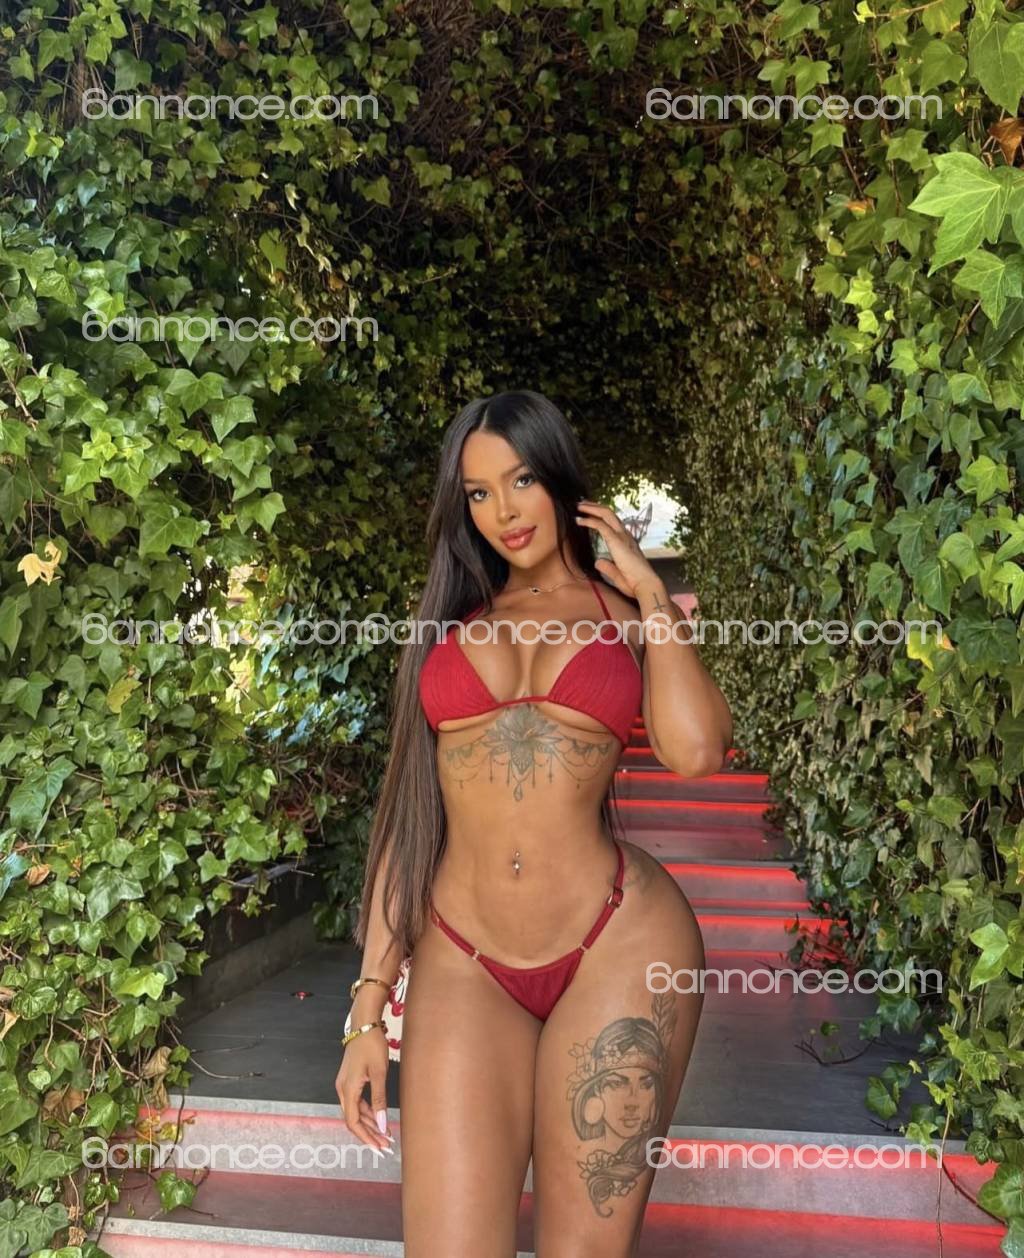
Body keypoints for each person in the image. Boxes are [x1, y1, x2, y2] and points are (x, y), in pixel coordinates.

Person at [336, 390, 733, 1258]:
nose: (505, 512)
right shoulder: (447, 627)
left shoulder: (627, 619)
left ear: (559, 479)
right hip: (464, 958)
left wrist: (651, 595)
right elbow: (409, 819)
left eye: (520, 481)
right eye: (479, 493)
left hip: (615, 947)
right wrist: (368, 1008)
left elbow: (698, 751)